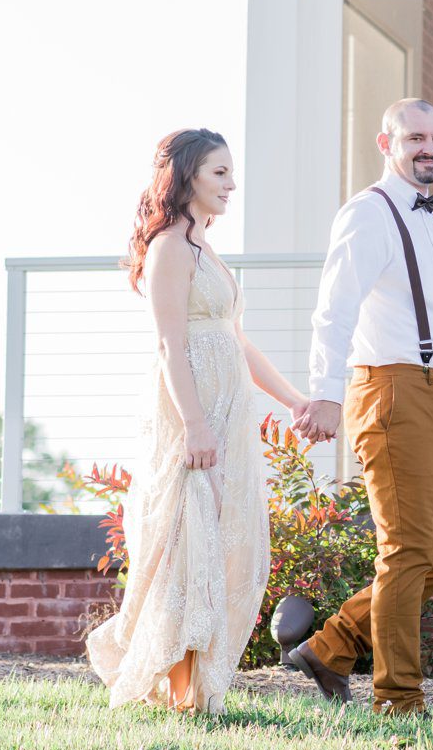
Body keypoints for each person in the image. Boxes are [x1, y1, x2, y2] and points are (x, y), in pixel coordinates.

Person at [87, 128, 307, 714]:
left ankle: (198, 688)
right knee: (189, 546)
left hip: (227, 415)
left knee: (221, 548)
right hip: (192, 415)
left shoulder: (206, 247)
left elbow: (237, 344)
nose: (232, 184)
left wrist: (294, 401)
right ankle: (182, 694)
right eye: (220, 173)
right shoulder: (169, 247)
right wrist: (194, 428)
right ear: (187, 176)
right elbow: (170, 344)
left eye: (232, 172)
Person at [286, 98, 433, 715]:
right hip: (393, 391)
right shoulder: (369, 215)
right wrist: (323, 393)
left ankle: (333, 644)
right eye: (416, 138)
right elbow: (335, 307)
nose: (430, 148)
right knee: (405, 549)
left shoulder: (430, 222)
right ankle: (399, 700)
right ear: (387, 143)